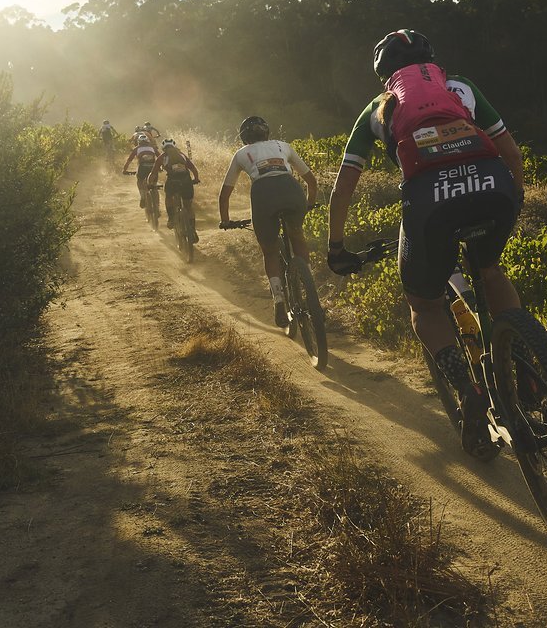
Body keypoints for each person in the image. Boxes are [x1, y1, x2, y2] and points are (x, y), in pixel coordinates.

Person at [325, 29, 525, 458]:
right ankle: (523, 363)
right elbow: (513, 153)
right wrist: (513, 202)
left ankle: (464, 386)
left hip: (431, 202)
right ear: (432, 61)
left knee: (423, 304)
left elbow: (343, 187)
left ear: (383, 73)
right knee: (489, 271)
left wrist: (336, 247)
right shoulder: (463, 88)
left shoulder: (378, 108)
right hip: (492, 186)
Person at [219, 116, 318, 327]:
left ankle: (279, 300)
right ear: (267, 132)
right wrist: (309, 204)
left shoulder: (240, 154)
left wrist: (225, 220)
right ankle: (310, 289)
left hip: (264, 195)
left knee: (270, 251)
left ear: (244, 137)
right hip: (291, 190)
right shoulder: (283, 146)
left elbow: (225, 194)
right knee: (297, 233)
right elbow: (311, 180)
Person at [151, 138, 201, 241]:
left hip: (172, 182)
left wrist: (150, 183)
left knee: (168, 197)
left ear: (164, 148)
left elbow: (154, 172)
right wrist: (196, 179)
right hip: (186, 181)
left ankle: (171, 219)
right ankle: (192, 230)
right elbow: (193, 168)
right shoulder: (182, 155)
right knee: (188, 206)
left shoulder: (162, 157)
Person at [121, 133, 159, 208]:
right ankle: (157, 207)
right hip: (153, 167)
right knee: (154, 185)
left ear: (138, 141)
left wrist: (124, 170)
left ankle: (142, 196)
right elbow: (160, 157)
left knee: (140, 180)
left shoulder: (136, 148)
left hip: (142, 168)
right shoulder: (153, 148)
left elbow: (129, 161)